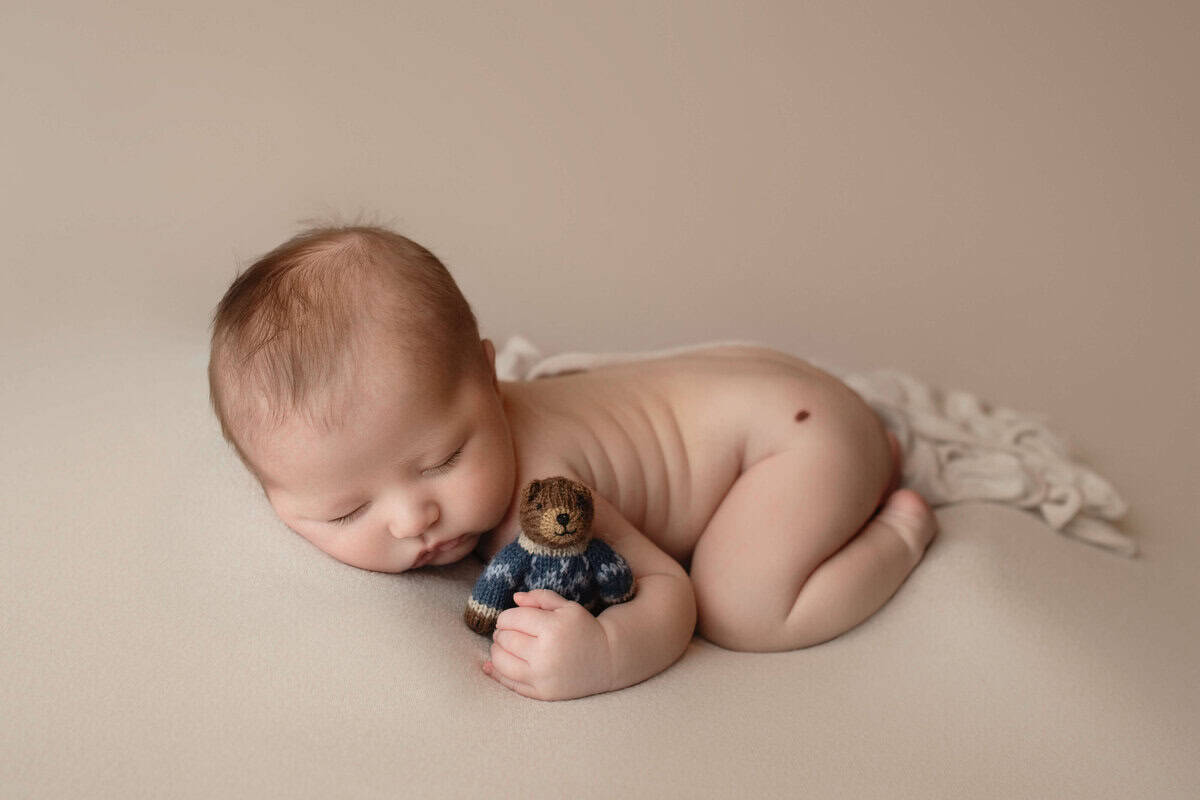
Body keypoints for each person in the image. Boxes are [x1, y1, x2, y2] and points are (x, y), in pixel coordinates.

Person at [207, 224, 937, 701]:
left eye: (442, 460)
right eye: (346, 510)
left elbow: (668, 594)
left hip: (791, 441)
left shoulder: (545, 492)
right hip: (766, 394)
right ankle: (861, 453)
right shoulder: (426, 419)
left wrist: (604, 652)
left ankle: (894, 528)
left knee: (739, 607)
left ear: (490, 380)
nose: (412, 518)